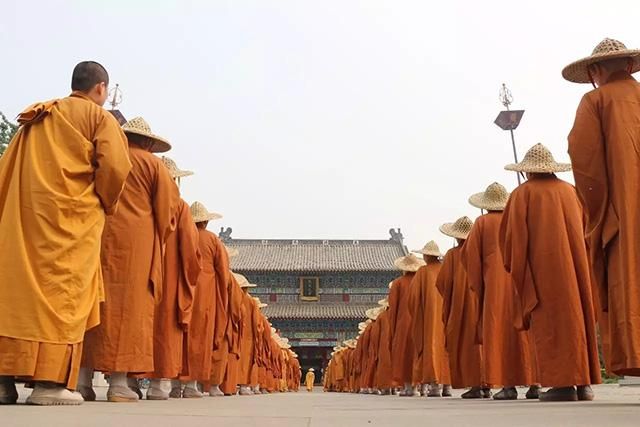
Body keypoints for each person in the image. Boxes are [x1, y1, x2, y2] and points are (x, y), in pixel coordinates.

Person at [0, 61, 131, 405]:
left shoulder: (37, 118)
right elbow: (115, 169)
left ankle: (2, 382)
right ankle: (49, 385)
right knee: (63, 297)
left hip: (26, 220)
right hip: (71, 224)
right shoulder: (98, 118)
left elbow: (6, 170)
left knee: (17, 297)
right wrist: (103, 203)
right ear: (101, 88)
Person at [80, 117, 180, 402]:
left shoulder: (107, 158)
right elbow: (167, 213)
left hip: (101, 238)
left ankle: (82, 380)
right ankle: (118, 384)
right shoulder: (154, 165)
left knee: (94, 306)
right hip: (136, 246)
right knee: (128, 311)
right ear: (149, 143)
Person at [499, 143, 602, 401]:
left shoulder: (522, 195)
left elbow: (511, 242)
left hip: (544, 273)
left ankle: (563, 384)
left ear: (526, 172)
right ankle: (584, 385)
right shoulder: (571, 192)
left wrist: (517, 269)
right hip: (577, 270)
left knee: (552, 324)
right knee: (576, 321)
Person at [565, 38, 640, 377]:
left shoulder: (595, 100)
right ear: (628, 66)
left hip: (625, 212)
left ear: (595, 71)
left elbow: (585, 164)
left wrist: (601, 215)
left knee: (631, 280)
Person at [462, 183, 536, 400]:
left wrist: (479, 284)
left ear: (485, 206)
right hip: (521, 280)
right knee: (527, 332)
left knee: (500, 332)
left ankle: (508, 385)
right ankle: (536, 383)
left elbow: (470, 258)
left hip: (495, 286)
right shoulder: (516, 216)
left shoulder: (482, 222)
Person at [146, 158, 201, 400]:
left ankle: (126, 380)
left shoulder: (139, 195)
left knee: (142, 324)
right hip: (169, 277)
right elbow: (190, 252)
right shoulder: (179, 206)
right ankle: (159, 384)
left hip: (143, 269)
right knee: (166, 328)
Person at [175, 201, 228, 398]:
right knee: (199, 335)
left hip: (181, 287)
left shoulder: (180, 233)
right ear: (205, 221)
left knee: (180, 334)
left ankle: (174, 384)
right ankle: (191, 385)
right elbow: (223, 273)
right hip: (205, 292)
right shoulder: (213, 239)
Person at [436, 217, 487, 399]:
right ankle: (487, 383)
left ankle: (475, 384)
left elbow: (442, 284)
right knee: (484, 341)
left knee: (468, 344)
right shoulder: (481, 248)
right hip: (482, 300)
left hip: (461, 306)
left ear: (456, 237)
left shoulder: (452, 255)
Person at [409, 241, 452, 397]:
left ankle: (434, 385)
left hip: (430, 317)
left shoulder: (423, 272)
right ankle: (447, 385)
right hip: (447, 314)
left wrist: (417, 314)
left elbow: (413, 298)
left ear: (426, 256)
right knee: (446, 347)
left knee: (432, 347)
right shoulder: (446, 268)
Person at [389, 254, 425, 396]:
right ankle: (420, 387)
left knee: (404, 354)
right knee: (418, 352)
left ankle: (408, 386)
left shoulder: (398, 283)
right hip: (421, 321)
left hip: (403, 323)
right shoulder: (422, 281)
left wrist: (393, 328)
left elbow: (393, 307)